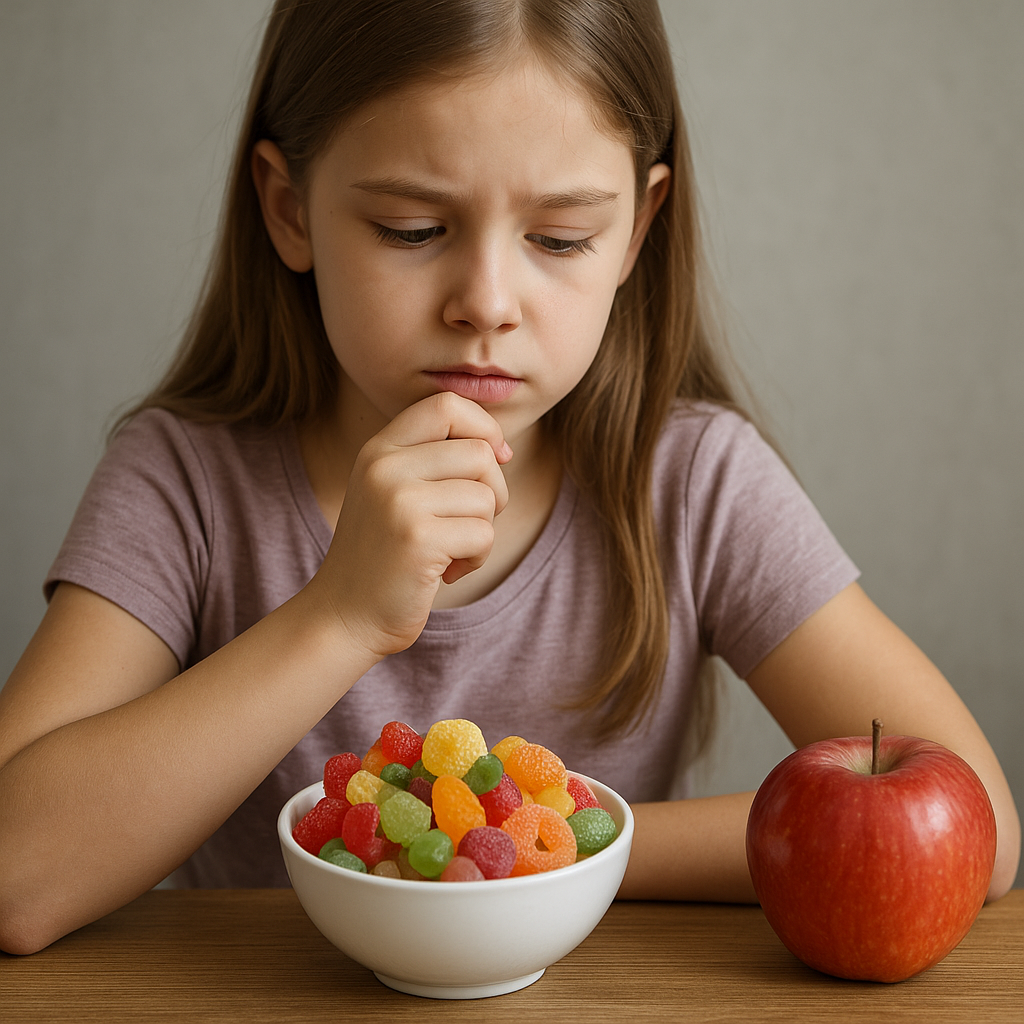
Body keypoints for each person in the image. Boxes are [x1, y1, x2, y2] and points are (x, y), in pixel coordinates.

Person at [0, 0, 1018, 955]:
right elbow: (14, 875)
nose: (487, 301)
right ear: (288, 208)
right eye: (412, 229)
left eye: (559, 238)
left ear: (636, 230)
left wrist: (541, 846)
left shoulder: (693, 480)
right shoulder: (185, 483)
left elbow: (981, 832)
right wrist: (339, 616)